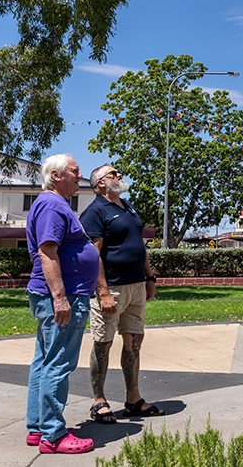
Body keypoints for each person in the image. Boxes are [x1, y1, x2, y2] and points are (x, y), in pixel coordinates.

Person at [25, 154, 98, 454]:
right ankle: (53, 435)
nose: (80, 176)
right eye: (75, 171)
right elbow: (47, 252)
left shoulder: (54, 204)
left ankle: (39, 428)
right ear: (56, 175)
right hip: (63, 296)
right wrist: (60, 298)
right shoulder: (53, 204)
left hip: (57, 294)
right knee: (58, 364)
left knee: (45, 361)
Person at [79, 165, 163, 424]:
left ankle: (133, 400)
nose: (119, 175)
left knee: (134, 341)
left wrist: (149, 277)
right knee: (103, 343)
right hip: (111, 288)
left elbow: (140, 245)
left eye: (118, 173)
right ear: (100, 183)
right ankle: (99, 401)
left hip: (136, 286)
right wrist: (102, 291)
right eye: (113, 174)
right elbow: (93, 255)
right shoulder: (95, 211)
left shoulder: (128, 207)